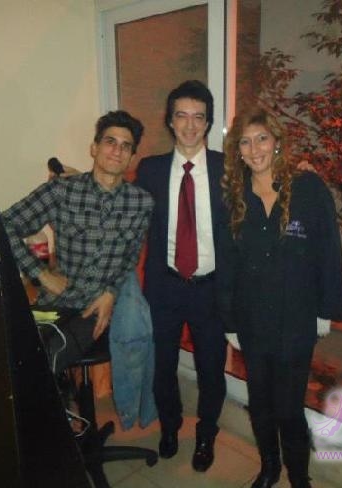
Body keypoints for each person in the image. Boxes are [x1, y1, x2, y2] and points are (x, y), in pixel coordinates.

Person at [219, 107, 342, 488]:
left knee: (289, 409)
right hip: (252, 320)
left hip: (296, 321)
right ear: (237, 150)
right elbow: (227, 262)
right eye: (245, 142)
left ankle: (299, 477)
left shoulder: (307, 188)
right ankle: (269, 468)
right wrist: (229, 321)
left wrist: (326, 310)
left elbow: (329, 249)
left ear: (276, 142)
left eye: (262, 138)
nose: (254, 148)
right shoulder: (234, 196)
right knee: (260, 404)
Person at [2, 110, 153, 375]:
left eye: (125, 146)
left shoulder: (141, 203)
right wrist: (40, 274)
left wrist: (111, 292)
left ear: (132, 157)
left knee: (46, 360)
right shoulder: (62, 191)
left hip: (95, 307)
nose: (117, 151)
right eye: (110, 142)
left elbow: (130, 256)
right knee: (14, 352)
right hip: (56, 300)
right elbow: (4, 225)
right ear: (94, 148)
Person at [135, 80, 228, 472]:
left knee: (211, 369)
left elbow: (268, 185)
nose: (190, 125)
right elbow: (124, 208)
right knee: (163, 365)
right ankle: (170, 426)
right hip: (165, 285)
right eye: (182, 116)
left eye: (198, 117)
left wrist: (301, 173)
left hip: (211, 288)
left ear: (207, 123)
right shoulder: (151, 170)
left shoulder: (227, 168)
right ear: (170, 121)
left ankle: (206, 434)